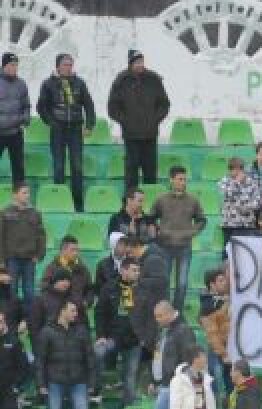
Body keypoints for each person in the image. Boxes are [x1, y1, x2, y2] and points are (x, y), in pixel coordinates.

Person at [37, 299, 94, 409]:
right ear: (62, 311)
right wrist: (41, 384)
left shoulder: (82, 331)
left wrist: (92, 383)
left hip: (79, 382)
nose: (76, 314)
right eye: (73, 311)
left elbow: (90, 358)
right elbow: (40, 360)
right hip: (54, 382)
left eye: (76, 311)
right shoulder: (47, 331)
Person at [36, 53, 94, 212]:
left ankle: (77, 204)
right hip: (58, 130)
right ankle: (60, 201)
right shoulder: (48, 84)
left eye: (70, 64)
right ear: (58, 66)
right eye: (65, 64)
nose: (68, 67)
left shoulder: (80, 83)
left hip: (75, 129)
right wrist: (51, 122)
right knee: (59, 166)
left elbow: (89, 105)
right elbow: (41, 107)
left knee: (77, 167)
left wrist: (89, 125)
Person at [106, 49, 169, 191]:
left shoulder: (154, 79)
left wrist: (155, 119)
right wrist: (126, 122)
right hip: (131, 135)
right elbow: (112, 107)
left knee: (150, 172)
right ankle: (129, 204)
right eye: (137, 62)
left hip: (150, 134)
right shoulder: (120, 81)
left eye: (142, 61)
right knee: (131, 173)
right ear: (130, 63)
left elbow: (164, 103)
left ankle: (151, 205)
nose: (140, 64)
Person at [150, 167, 206, 309]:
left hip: (184, 247)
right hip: (164, 246)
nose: (183, 182)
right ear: (172, 180)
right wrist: (158, 232)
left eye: (185, 179)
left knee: (182, 283)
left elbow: (201, 220)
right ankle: (165, 312)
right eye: (180, 179)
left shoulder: (193, 200)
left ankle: (177, 314)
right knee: (165, 282)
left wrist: (191, 232)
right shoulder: (161, 200)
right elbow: (150, 218)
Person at [93, 256, 144, 407]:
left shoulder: (141, 290)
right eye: (134, 270)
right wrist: (101, 335)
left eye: (138, 270)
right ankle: (95, 391)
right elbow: (100, 313)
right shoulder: (109, 288)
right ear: (123, 270)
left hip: (134, 340)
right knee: (97, 352)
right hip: (112, 337)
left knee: (130, 376)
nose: (137, 273)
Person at [149, 300, 196, 409]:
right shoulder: (163, 331)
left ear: (170, 314)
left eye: (160, 316)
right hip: (163, 384)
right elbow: (158, 357)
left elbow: (189, 360)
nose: (157, 320)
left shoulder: (183, 331)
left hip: (173, 386)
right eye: (156, 316)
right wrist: (154, 380)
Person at [0, 181, 46, 316]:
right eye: (24, 193)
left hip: (29, 260)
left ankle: (29, 321)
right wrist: (1, 259)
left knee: (29, 292)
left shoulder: (35, 213)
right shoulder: (5, 213)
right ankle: (11, 320)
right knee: (11, 291)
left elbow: (41, 236)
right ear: (15, 195)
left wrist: (39, 255)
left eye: (28, 193)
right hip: (11, 259)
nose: (27, 195)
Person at [198, 268, 231, 395]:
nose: (225, 283)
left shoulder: (225, 299)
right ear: (212, 285)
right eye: (221, 280)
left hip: (229, 348)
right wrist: (224, 354)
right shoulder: (207, 306)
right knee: (216, 379)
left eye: (225, 280)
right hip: (219, 350)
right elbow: (212, 335)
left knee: (231, 384)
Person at [0, 53, 30, 185]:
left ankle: (19, 203)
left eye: (16, 65)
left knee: (19, 170)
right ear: (4, 66)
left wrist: (25, 119)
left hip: (16, 134)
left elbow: (26, 106)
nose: (14, 68)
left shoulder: (21, 84)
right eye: (12, 65)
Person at [218, 158, 261, 248]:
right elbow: (228, 194)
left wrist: (247, 207)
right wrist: (237, 182)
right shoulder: (224, 181)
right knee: (228, 253)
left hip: (247, 224)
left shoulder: (251, 182)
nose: (238, 172)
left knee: (247, 252)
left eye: (240, 169)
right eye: (235, 169)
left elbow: (258, 201)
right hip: (230, 224)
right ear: (230, 170)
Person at [0, 307, 29, 409]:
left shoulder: (14, 341)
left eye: (1, 321)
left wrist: (15, 386)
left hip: (8, 388)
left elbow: (23, 367)